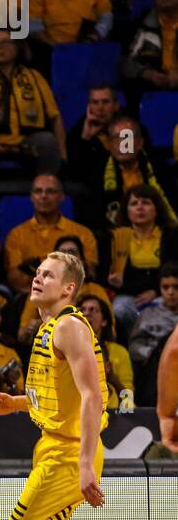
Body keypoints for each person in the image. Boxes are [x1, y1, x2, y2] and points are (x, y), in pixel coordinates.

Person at [0, 253, 106, 520]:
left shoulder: (69, 327)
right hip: (54, 446)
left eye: (47, 275)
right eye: (37, 273)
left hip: (69, 454)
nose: (37, 278)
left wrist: (84, 465)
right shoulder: (50, 327)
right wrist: (16, 403)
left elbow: (92, 398)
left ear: (68, 288)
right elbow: (59, 396)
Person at [0, 28, 66, 194]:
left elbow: (55, 117)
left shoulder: (34, 76)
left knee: (47, 141)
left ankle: (47, 195)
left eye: (6, 42)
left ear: (17, 47)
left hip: (26, 141)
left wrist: (63, 153)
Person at [4, 175, 99, 292]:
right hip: (31, 295)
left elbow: (89, 273)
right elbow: (15, 278)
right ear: (31, 197)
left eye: (50, 191)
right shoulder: (16, 235)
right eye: (38, 191)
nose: (43, 196)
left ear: (61, 197)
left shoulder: (83, 233)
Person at [87, 115, 178, 234]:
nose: (123, 145)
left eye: (127, 138)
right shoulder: (97, 174)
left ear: (140, 143)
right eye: (117, 139)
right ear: (109, 144)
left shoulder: (160, 169)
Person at [107, 184, 178, 335]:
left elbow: (173, 270)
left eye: (145, 202)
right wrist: (115, 283)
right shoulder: (117, 238)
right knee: (119, 309)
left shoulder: (171, 235)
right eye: (134, 203)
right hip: (128, 296)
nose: (140, 207)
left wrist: (155, 291)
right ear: (127, 211)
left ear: (156, 209)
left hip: (162, 294)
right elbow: (113, 278)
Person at [126, 263, 178, 395]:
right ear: (160, 289)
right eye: (165, 287)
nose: (171, 292)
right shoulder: (147, 314)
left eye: (176, 287)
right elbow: (134, 345)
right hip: (155, 366)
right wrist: (149, 353)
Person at [77, 295, 134, 410]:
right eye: (82, 309)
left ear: (104, 321)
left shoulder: (120, 352)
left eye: (93, 310)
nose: (86, 313)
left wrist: (112, 377)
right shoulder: (67, 349)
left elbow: (129, 402)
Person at [65, 85, 120, 189]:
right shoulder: (78, 132)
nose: (100, 108)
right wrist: (86, 139)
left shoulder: (127, 128)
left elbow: (129, 162)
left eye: (105, 102)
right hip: (94, 190)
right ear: (89, 106)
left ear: (116, 105)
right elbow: (74, 174)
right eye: (95, 102)